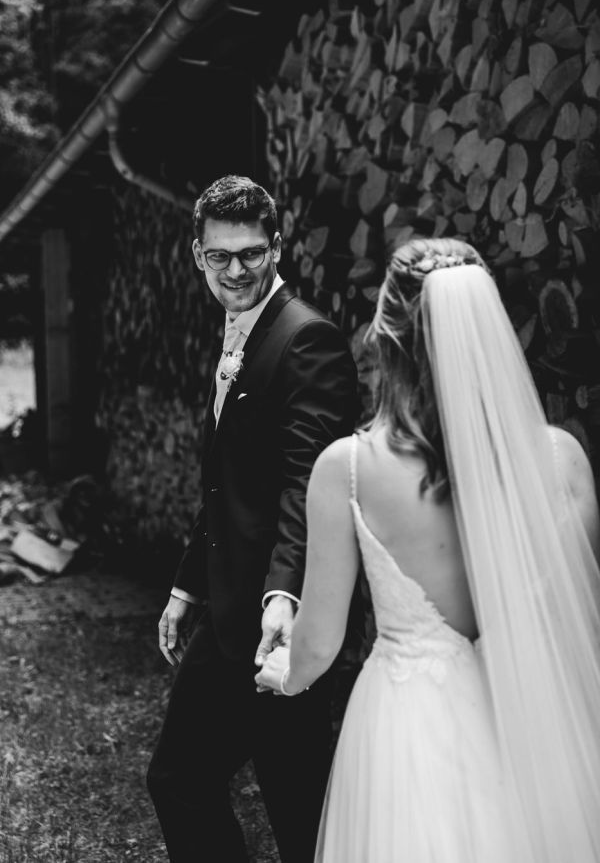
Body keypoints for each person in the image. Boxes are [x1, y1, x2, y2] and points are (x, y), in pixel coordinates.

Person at [257, 237, 600, 863]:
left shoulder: (349, 469)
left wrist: (285, 671)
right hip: (535, 729)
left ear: (386, 340)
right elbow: (581, 623)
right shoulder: (563, 459)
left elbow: (320, 645)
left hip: (408, 734)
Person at [146, 175, 358, 863]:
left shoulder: (307, 339)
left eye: (251, 253)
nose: (236, 270)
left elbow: (308, 485)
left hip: (275, 616)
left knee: (218, 783)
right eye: (220, 256)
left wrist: (283, 595)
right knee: (281, 792)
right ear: (197, 255)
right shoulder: (239, 331)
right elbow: (225, 484)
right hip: (230, 603)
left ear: (277, 246)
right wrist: (186, 586)